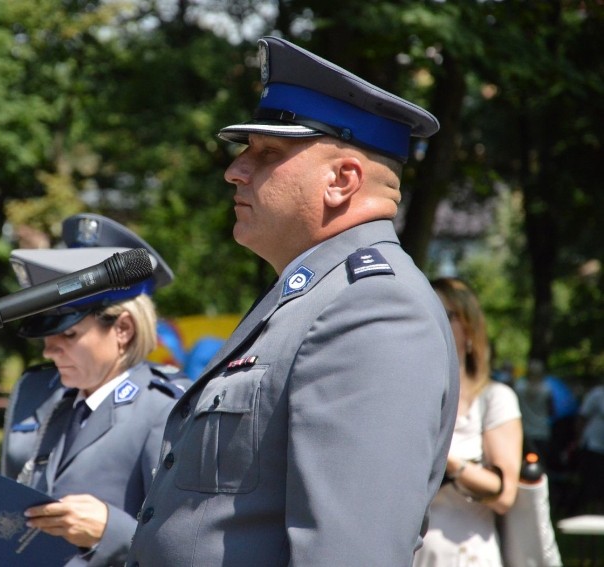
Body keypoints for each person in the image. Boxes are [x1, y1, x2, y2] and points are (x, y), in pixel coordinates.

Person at [125, 36, 459, 567]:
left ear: (342, 181)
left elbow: (350, 555)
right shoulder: (313, 296)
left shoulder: (373, 310)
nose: (235, 170)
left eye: (267, 154)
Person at [0, 213, 189, 567]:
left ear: (123, 329)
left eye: (68, 334)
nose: (49, 351)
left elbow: (186, 544)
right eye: (47, 335)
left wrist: (111, 531)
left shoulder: (166, 406)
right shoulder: (36, 391)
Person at [413, 277, 523, 566]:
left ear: (469, 328)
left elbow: (504, 496)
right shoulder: (406, 396)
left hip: (465, 554)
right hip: (408, 554)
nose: (430, 320)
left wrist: (446, 461)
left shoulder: (494, 399)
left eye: (443, 313)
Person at [514, 358, 555, 464]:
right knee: (541, 464)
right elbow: (552, 411)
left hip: (523, 431)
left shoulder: (519, 386)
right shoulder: (547, 388)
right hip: (542, 431)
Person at [575, 379, 604, 513]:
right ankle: (586, 515)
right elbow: (582, 417)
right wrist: (578, 440)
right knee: (591, 484)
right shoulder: (597, 394)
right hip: (593, 445)